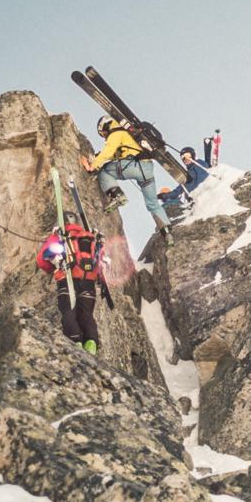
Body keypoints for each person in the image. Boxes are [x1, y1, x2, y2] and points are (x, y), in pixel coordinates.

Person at [81, 115, 170, 233]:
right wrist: (97, 157)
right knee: (152, 203)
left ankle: (117, 195)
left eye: (102, 133)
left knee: (104, 171)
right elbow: (116, 154)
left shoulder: (116, 133)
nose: (104, 137)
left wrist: (93, 166)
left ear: (105, 127)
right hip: (147, 169)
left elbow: (108, 152)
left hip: (134, 166)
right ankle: (166, 231)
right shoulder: (129, 134)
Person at [34, 210, 104, 353]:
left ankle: (75, 341)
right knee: (86, 314)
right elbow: (99, 259)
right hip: (88, 281)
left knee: (68, 310)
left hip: (67, 279)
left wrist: (52, 267)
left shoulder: (59, 235)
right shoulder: (88, 237)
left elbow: (42, 261)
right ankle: (91, 342)